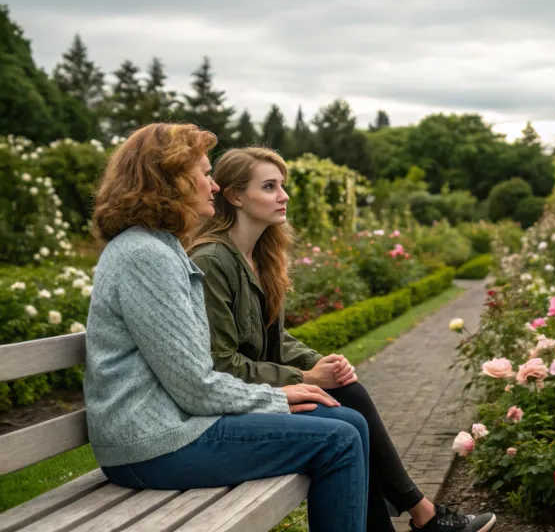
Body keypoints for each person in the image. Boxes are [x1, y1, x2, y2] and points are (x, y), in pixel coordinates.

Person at [189, 146, 497, 532]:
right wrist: (307, 379)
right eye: (269, 187)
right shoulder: (212, 261)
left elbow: (276, 337)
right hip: (231, 404)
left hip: (258, 391)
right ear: (235, 196)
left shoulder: (261, 254)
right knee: (347, 424)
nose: (283, 196)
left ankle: (421, 514)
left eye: (282, 185)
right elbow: (221, 362)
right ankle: (423, 513)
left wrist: (323, 362)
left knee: (350, 391)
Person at [83, 123, 368, 532]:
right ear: (169, 181)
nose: (213, 186)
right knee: (337, 440)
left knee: (349, 420)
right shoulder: (146, 256)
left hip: (172, 429)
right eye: (202, 173)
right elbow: (196, 386)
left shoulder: (158, 248)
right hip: (152, 446)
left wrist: (281, 391)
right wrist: (276, 397)